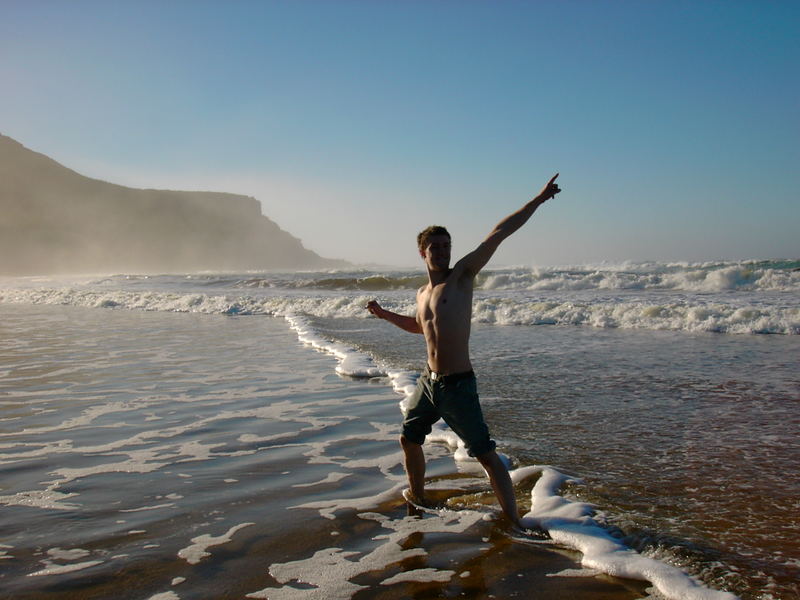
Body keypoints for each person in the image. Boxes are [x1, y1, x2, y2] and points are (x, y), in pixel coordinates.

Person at [366, 174, 562, 528]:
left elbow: (498, 234)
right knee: (409, 439)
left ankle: (514, 521)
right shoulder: (422, 293)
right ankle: (418, 496)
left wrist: (539, 199)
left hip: (458, 385)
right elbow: (418, 327)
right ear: (422, 252)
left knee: (486, 454)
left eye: (446, 246)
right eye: (435, 247)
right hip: (429, 382)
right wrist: (382, 314)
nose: (442, 252)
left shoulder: (462, 277)